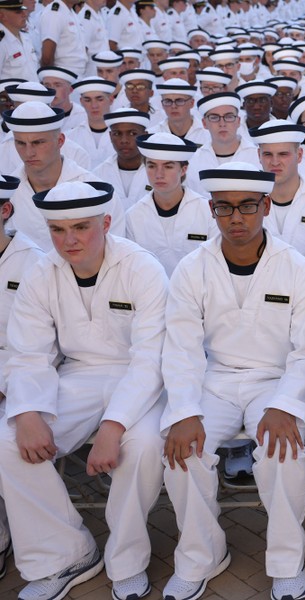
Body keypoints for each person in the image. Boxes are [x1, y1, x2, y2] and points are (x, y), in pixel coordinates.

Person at [0, 180, 168, 600]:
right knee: (7, 442)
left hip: (143, 379)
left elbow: (151, 359)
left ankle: (127, 559)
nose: (69, 240)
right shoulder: (42, 272)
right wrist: (28, 413)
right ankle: (67, 555)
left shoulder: (142, 268)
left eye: (81, 227)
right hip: (77, 376)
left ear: (106, 222)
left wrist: (113, 427)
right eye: (58, 230)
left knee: (142, 445)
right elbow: (29, 354)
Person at [160, 161, 305, 600]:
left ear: (266, 206)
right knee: (182, 451)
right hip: (215, 381)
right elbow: (182, 348)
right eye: (224, 208)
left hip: (277, 381)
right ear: (211, 211)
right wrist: (186, 411)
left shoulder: (298, 268)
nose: (236, 218)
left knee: (281, 450)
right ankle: (201, 556)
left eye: (247, 206)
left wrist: (287, 404)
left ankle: (287, 561)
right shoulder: (192, 269)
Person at [4, 101, 126, 252]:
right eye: (21, 143)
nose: (29, 153)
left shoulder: (96, 191)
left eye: (38, 142)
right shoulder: (6, 193)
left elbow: (115, 250)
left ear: (60, 141)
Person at [0, 173, 44, 582]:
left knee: (7, 443)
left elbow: (39, 344)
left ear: (5, 210)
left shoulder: (33, 261)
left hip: (20, 367)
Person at [125, 132, 212, 276]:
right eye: (152, 166)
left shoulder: (207, 211)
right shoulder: (134, 216)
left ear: (183, 169)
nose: (159, 174)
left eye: (168, 166)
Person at [249, 119, 305, 265]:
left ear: (299, 155)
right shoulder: (247, 200)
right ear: (258, 155)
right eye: (268, 154)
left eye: (283, 154)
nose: (275, 162)